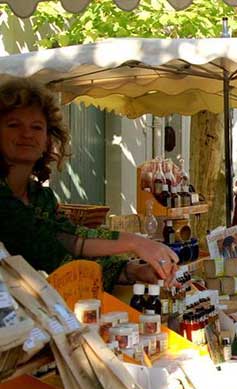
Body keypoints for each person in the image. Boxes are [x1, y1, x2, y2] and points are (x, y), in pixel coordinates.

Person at [0, 77, 178, 291]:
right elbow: (53, 259)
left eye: (37, 127)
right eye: (14, 125)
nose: (27, 134)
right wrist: (135, 245)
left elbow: (74, 239)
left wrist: (132, 267)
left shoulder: (41, 198)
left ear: (49, 137)